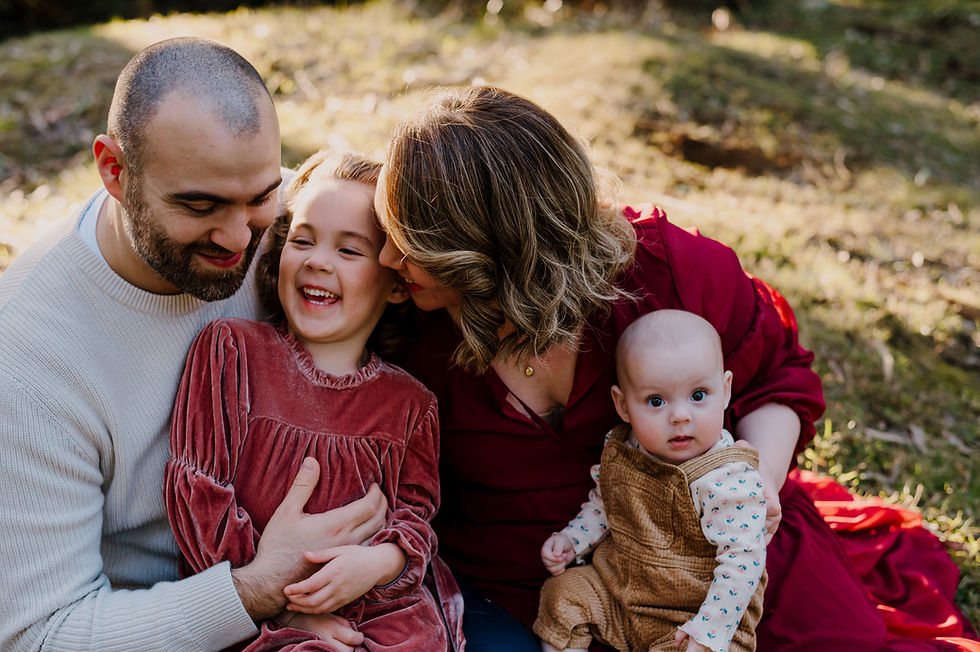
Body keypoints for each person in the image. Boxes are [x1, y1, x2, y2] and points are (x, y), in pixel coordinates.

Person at [373, 85, 978, 651]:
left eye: (411, 241)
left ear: (488, 247)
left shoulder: (672, 274)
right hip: (540, 572)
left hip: (714, 548)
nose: (387, 256)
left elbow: (777, 379)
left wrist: (760, 489)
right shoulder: (407, 326)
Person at [0, 38, 386, 651]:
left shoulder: (302, 229)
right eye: (200, 206)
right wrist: (256, 590)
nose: (239, 239)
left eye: (260, 197)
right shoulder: (28, 358)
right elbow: (42, 634)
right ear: (114, 170)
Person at [164, 149, 464, 651]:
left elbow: (414, 517)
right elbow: (198, 496)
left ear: (396, 283)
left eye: (349, 250)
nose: (318, 261)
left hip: (379, 612)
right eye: (302, 240)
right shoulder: (232, 351)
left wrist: (381, 562)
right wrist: (284, 609)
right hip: (254, 613)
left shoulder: (410, 405)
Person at [533, 310, 766, 652]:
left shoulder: (728, 477)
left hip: (695, 616)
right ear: (623, 405)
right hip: (621, 592)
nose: (680, 416)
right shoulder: (625, 449)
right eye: (656, 401)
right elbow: (604, 505)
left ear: (725, 390)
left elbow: (743, 559)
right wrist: (572, 540)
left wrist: (708, 631)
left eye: (698, 395)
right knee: (562, 594)